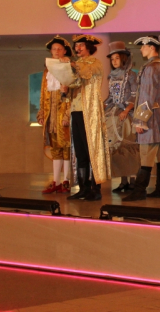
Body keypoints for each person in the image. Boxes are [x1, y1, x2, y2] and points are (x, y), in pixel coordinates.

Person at [123, 35, 160, 201]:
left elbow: (147, 96)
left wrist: (140, 120)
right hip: (158, 117)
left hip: (150, 119)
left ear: (151, 47)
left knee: (146, 155)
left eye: (143, 46)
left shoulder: (151, 68)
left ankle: (139, 190)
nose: (141, 49)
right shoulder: (157, 66)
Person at [64, 34, 111, 201]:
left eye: (81, 45)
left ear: (89, 47)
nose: (77, 48)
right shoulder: (77, 65)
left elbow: (85, 73)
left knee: (92, 149)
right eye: (76, 46)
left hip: (89, 112)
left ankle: (95, 188)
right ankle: (83, 187)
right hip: (76, 111)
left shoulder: (95, 63)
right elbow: (74, 84)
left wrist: (72, 65)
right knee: (80, 152)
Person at [38, 36, 73, 194]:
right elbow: (42, 93)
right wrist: (41, 112)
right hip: (50, 115)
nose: (57, 51)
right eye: (54, 49)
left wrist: (67, 115)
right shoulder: (47, 71)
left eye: (59, 49)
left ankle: (66, 181)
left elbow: (71, 94)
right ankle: (56, 181)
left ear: (65, 51)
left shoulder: (67, 68)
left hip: (62, 113)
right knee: (55, 148)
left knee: (66, 147)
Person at [104, 41, 140, 193]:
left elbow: (134, 95)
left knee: (128, 147)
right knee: (117, 149)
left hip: (127, 115)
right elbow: (111, 97)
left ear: (123, 59)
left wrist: (127, 110)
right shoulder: (112, 77)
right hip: (114, 114)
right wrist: (103, 105)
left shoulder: (131, 75)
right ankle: (123, 181)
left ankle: (133, 181)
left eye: (117, 58)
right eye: (112, 59)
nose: (114, 61)